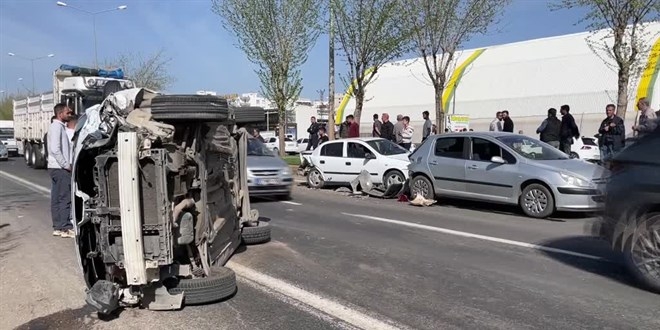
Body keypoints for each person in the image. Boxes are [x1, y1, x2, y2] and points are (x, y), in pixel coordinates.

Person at [48, 103, 74, 238]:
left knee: (56, 198)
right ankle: (65, 228)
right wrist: (66, 164)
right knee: (64, 197)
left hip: (55, 167)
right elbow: (55, 149)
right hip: (60, 168)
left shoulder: (57, 127)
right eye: (67, 113)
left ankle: (58, 227)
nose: (70, 114)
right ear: (60, 114)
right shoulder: (57, 127)